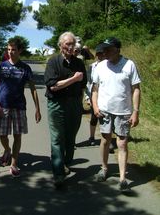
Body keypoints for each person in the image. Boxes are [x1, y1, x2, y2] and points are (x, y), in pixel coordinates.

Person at [91, 37, 141, 192]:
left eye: (108, 49)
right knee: (105, 140)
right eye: (104, 49)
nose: (104, 52)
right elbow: (95, 89)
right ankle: (104, 168)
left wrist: (136, 112)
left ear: (117, 50)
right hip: (105, 110)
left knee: (122, 143)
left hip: (123, 112)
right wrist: (95, 106)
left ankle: (122, 179)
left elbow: (136, 89)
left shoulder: (129, 65)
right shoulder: (100, 66)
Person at [0, 37, 41, 177]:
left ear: (19, 50)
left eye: (13, 50)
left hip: (19, 107)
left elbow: (33, 89)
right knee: (2, 134)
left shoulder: (25, 68)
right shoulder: (1, 66)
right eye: (8, 49)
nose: (10, 52)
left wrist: (37, 109)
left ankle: (14, 164)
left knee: (17, 136)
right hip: (4, 106)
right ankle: (7, 149)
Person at [44, 31, 87, 188]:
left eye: (73, 43)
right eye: (67, 43)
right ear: (60, 45)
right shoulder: (53, 62)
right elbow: (53, 86)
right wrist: (73, 79)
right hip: (56, 104)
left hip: (74, 104)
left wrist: (80, 104)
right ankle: (58, 174)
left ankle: (65, 163)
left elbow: (83, 86)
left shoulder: (79, 63)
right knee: (57, 139)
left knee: (70, 138)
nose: (71, 46)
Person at [84, 44, 105, 146]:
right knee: (94, 117)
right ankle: (91, 137)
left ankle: (106, 140)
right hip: (94, 95)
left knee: (105, 119)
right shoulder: (92, 67)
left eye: (103, 54)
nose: (101, 56)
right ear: (96, 55)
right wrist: (88, 97)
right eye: (99, 54)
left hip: (106, 97)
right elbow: (88, 82)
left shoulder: (110, 66)